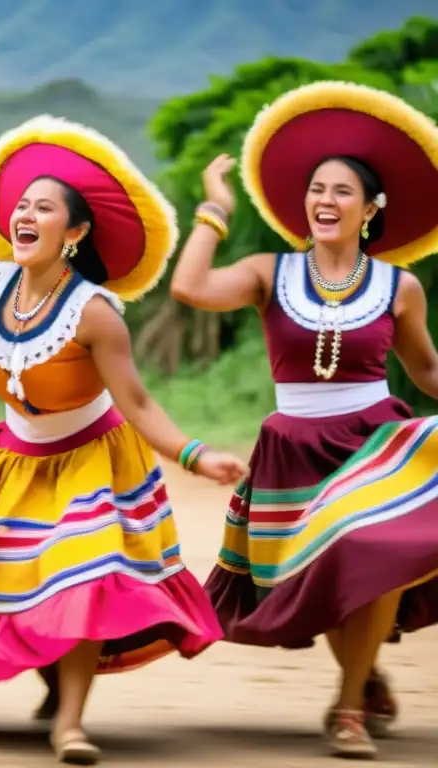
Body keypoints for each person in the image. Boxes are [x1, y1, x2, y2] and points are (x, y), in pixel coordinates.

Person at [0, 114, 248, 765]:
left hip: (93, 460)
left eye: (44, 208)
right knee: (17, 580)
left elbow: (136, 403)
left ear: (73, 233)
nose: (26, 214)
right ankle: (53, 681)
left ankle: (70, 724)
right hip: (16, 461)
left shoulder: (95, 313)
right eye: (22, 206)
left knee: (81, 576)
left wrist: (195, 454)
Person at [169, 81, 438, 759]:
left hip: (375, 442)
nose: (325, 200)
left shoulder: (399, 286)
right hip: (291, 449)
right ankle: (365, 670)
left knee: (366, 548)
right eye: (318, 188)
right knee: (323, 571)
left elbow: (428, 371)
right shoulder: (269, 272)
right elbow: (190, 287)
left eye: (343, 191)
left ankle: (346, 710)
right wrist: (213, 210)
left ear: (372, 209)